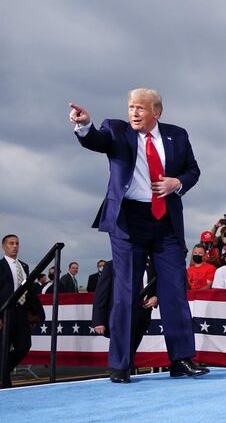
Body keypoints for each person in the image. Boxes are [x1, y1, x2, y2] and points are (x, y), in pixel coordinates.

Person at [69, 89, 207, 383]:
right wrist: (84, 126)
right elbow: (96, 140)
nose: (133, 113)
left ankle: (181, 360)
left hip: (166, 223)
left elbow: (193, 171)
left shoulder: (177, 135)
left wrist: (177, 183)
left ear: (156, 112)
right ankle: (120, 364)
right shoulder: (116, 130)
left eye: (140, 108)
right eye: (131, 107)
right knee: (126, 293)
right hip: (128, 222)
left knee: (174, 292)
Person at [91, 260, 157, 374]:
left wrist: (156, 297)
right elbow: (101, 293)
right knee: (122, 349)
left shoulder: (152, 265)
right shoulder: (111, 265)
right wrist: (98, 320)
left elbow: (158, 285)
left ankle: (127, 372)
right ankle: (120, 372)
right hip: (121, 314)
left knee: (132, 349)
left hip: (143, 313)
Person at [0, 234, 45, 388]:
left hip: (21, 313)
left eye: (17, 243)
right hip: (5, 313)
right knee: (3, 349)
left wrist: (37, 312)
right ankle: (5, 385)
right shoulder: (0, 266)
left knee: (23, 346)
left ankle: (2, 371)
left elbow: (29, 290)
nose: (15, 246)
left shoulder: (24, 266)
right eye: (11, 243)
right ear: (4, 246)